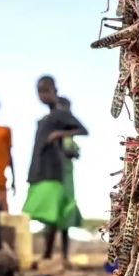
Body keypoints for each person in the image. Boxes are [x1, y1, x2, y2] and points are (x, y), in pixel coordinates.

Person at [22, 76, 88, 266]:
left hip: (55, 171)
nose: (42, 95)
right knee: (49, 214)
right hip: (40, 170)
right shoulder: (44, 119)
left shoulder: (60, 114)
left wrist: (60, 134)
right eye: (39, 92)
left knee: (54, 214)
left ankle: (48, 256)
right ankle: (49, 255)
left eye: (46, 91)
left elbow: (83, 130)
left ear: (54, 91)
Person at [55, 97, 84, 233]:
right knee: (54, 210)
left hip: (67, 173)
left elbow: (83, 132)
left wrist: (71, 152)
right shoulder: (52, 127)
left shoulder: (69, 133)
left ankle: (64, 253)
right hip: (54, 175)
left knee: (67, 208)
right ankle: (48, 251)